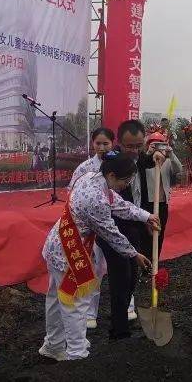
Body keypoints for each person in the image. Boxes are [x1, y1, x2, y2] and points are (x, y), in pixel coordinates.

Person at [39, 152, 157, 362]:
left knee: (57, 300)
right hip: (68, 251)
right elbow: (110, 233)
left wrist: (146, 216)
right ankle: (77, 354)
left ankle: (53, 345)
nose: (127, 184)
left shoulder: (93, 178)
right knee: (75, 303)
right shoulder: (96, 199)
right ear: (112, 175)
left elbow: (119, 205)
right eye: (125, 180)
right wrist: (134, 254)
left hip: (59, 244)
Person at [107, 119, 152, 337]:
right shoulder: (111, 162)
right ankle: (119, 329)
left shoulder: (142, 158)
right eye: (129, 146)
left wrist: (165, 154)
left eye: (138, 145)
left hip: (135, 226)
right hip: (114, 228)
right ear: (119, 142)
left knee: (131, 277)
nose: (134, 150)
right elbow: (118, 205)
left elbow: (164, 166)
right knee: (120, 278)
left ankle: (122, 319)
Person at [68, 126, 116, 330]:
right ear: (92, 144)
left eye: (106, 143)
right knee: (94, 269)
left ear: (113, 144)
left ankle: (126, 306)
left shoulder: (118, 165)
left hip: (114, 223)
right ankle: (89, 313)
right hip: (91, 228)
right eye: (98, 143)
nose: (102, 147)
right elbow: (71, 192)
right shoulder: (84, 167)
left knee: (118, 266)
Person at [143, 132, 183, 258]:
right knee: (146, 236)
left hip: (162, 203)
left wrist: (171, 153)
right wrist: (149, 154)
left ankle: (156, 261)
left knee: (160, 233)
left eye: (160, 144)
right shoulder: (144, 159)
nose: (157, 148)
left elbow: (179, 169)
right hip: (147, 203)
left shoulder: (166, 161)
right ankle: (146, 263)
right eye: (154, 144)